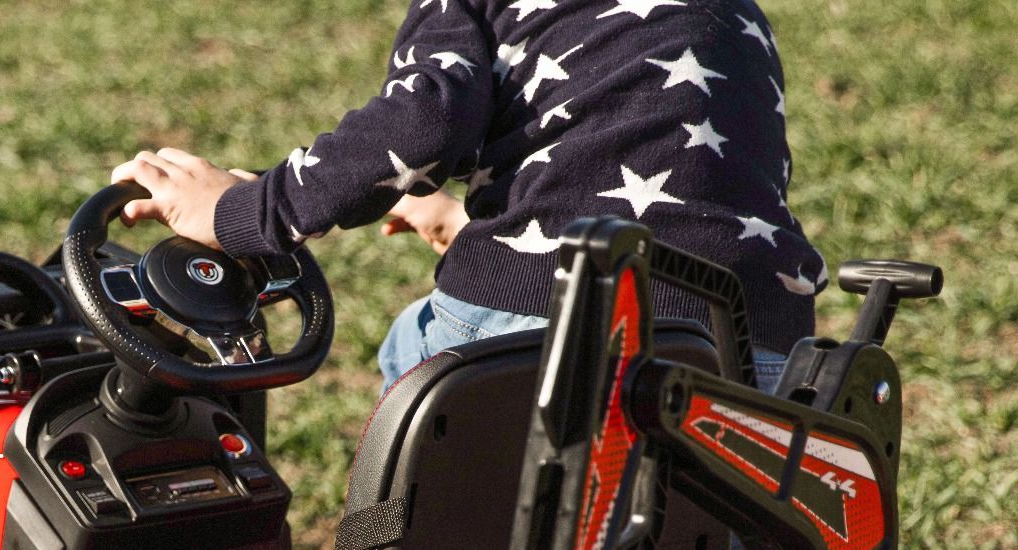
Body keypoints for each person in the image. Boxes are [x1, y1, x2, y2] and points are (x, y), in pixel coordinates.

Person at [111, 0, 823, 394]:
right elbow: (669, 153)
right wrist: (480, 217)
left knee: (410, 354)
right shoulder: (735, 12)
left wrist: (241, 211)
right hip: (759, 346)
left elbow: (425, 122)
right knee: (708, 548)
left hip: (550, 325)